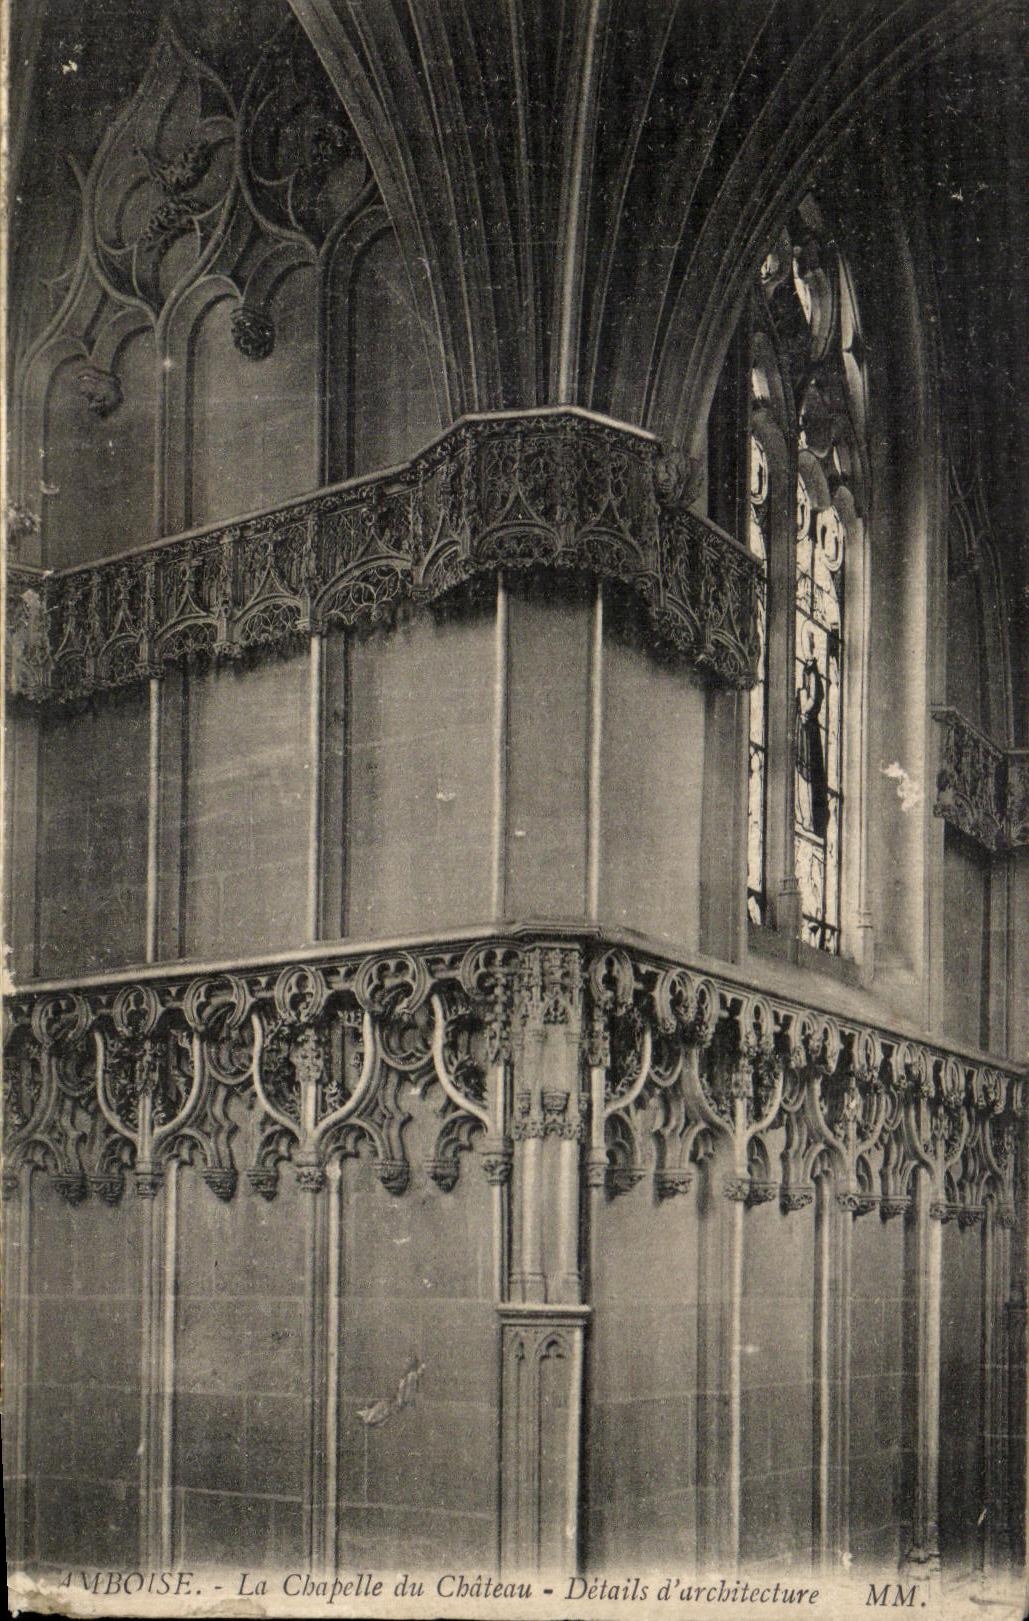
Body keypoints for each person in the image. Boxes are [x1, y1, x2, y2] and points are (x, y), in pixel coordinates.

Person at [796, 628, 829, 838]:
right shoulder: (806, 670)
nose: (806, 648)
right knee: (802, 769)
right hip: (803, 726)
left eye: (809, 644)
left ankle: (810, 819)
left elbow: (815, 697)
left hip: (810, 728)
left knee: (810, 771)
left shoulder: (813, 671)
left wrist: (804, 709)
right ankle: (803, 816)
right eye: (804, 644)